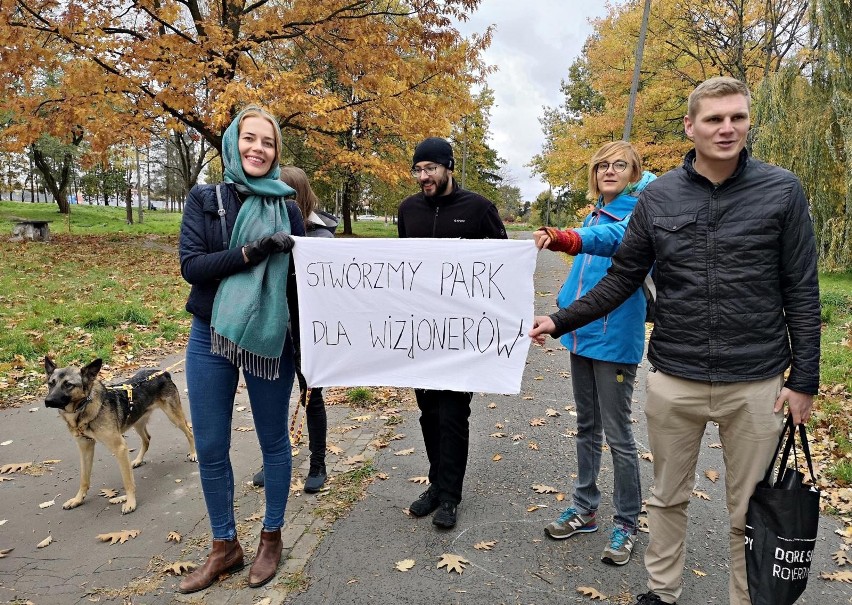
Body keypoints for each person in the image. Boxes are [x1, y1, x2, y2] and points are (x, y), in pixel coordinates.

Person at [529, 76, 820, 605]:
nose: (726, 128)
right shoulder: (658, 197)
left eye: (737, 117)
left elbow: (802, 289)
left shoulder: (781, 191)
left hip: (754, 382)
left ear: (748, 121)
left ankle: (745, 597)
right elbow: (623, 276)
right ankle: (661, 593)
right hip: (674, 378)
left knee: (746, 509)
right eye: (713, 118)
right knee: (666, 499)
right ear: (691, 126)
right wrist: (560, 320)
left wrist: (804, 381)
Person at [177, 106, 306, 593]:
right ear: (234, 143)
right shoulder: (205, 198)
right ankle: (224, 547)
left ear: (276, 153)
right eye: (249, 139)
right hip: (210, 334)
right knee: (211, 446)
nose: (258, 148)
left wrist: (314, 349)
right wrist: (253, 252)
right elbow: (194, 266)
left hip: (270, 340)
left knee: (274, 441)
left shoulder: (288, 207)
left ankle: (270, 539)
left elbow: (301, 285)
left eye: (268, 142)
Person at [533, 141, 654, 566]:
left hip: (615, 341)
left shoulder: (636, 215)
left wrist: (566, 237)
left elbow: (608, 242)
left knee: (619, 436)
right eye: (602, 165)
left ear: (634, 172)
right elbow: (581, 280)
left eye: (619, 165)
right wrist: (556, 318)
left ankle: (626, 523)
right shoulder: (596, 212)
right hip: (581, 335)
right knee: (587, 426)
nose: (609, 170)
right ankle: (584, 508)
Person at [398, 136, 507, 529]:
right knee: (428, 413)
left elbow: (502, 268)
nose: (423, 176)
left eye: (430, 168)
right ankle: (435, 485)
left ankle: (451, 496)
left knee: (453, 414)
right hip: (421, 334)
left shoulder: (479, 209)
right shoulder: (407, 210)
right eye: (418, 169)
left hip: (463, 335)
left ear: (448, 167)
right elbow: (399, 267)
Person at [252, 165, 338, 493]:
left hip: (305, 328)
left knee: (310, 395)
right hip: (272, 325)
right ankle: (273, 459)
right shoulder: (265, 228)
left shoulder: (320, 236)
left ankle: (318, 463)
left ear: (294, 196)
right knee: (271, 398)